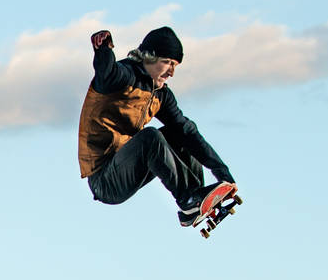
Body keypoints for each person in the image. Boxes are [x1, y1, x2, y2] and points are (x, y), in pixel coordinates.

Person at [77, 26, 235, 226]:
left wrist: (224, 174)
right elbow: (106, 73)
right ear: (149, 57)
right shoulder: (124, 77)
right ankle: (188, 200)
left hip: (128, 163)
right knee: (150, 138)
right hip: (105, 180)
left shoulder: (161, 95)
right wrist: (103, 50)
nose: (171, 72)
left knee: (182, 133)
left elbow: (189, 133)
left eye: (175, 65)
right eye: (167, 63)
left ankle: (195, 203)